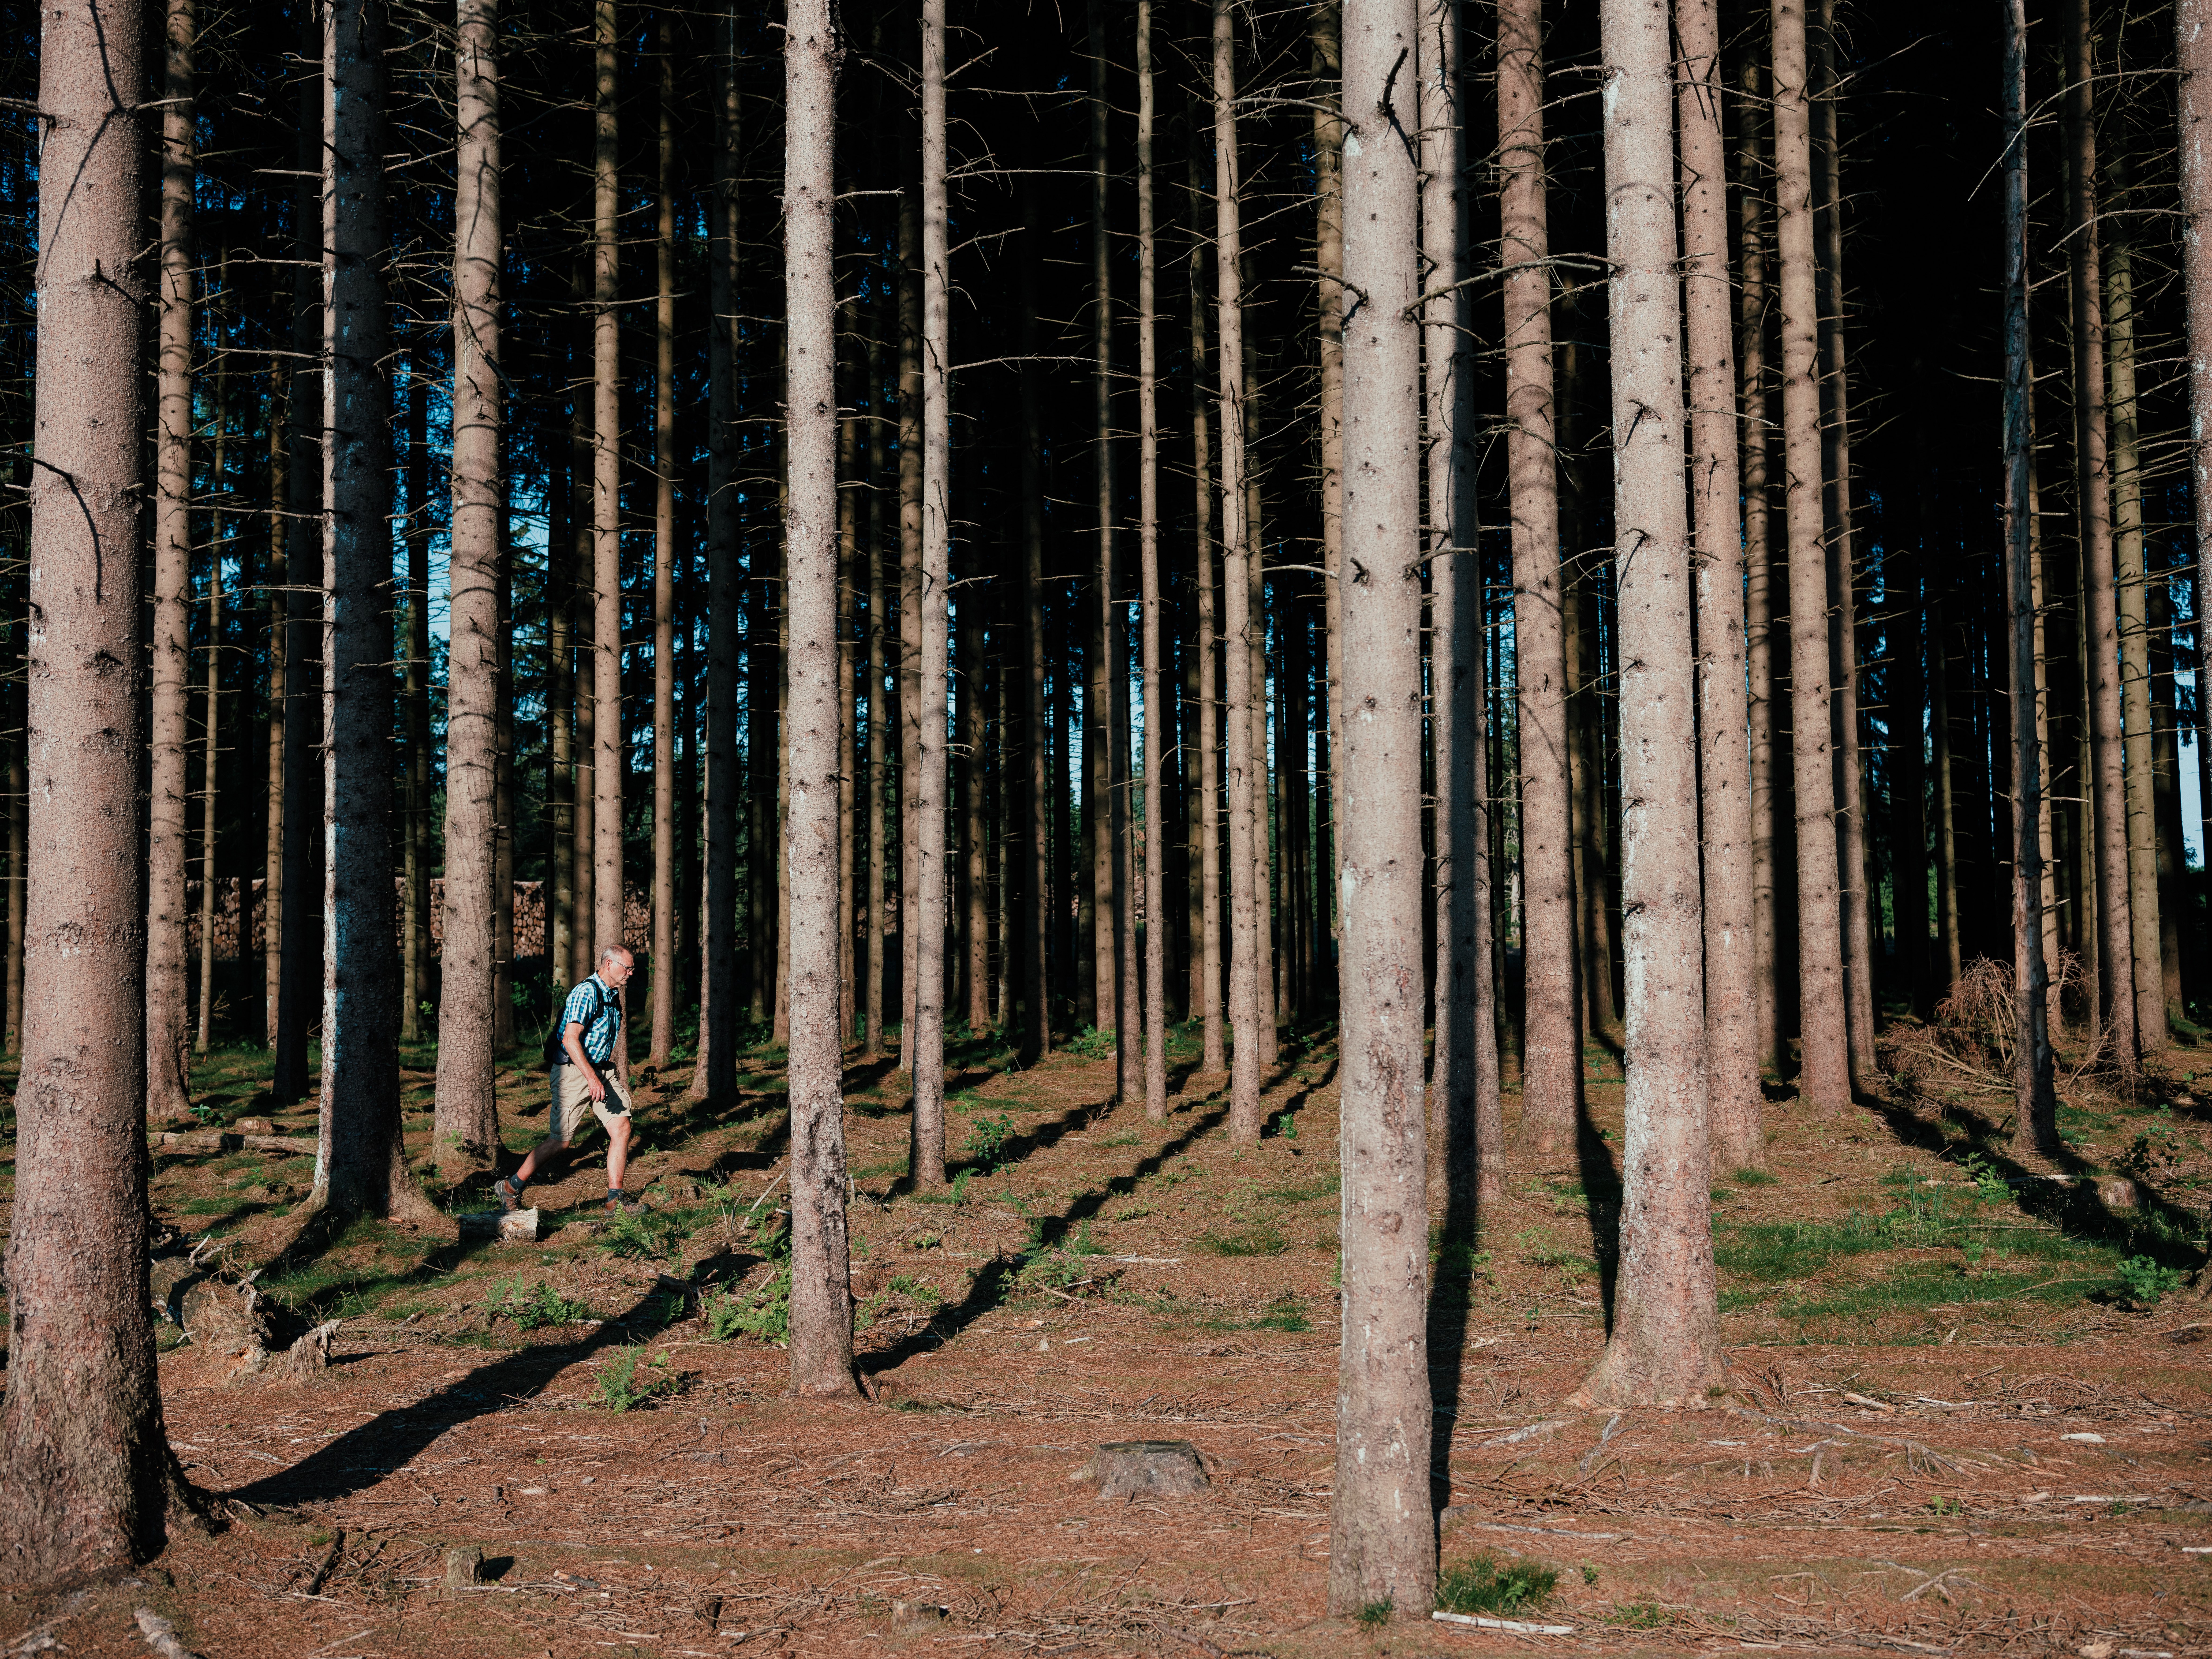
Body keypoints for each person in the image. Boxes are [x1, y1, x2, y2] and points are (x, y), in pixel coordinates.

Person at [499, 944, 642, 1216]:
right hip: (574, 1073)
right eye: (628, 968)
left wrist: (600, 1076)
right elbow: (569, 1039)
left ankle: (615, 1201)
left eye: (633, 968)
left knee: (621, 1128)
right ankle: (510, 1187)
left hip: (601, 1071)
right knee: (561, 1142)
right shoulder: (586, 992)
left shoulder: (612, 995)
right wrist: (591, 1078)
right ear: (610, 965)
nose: (631, 973)